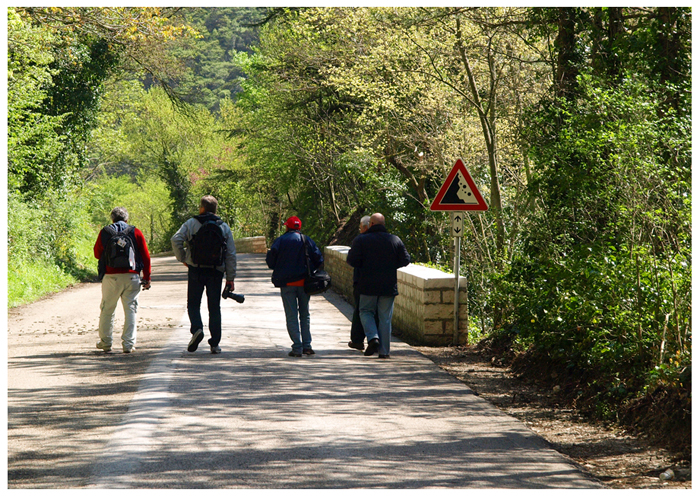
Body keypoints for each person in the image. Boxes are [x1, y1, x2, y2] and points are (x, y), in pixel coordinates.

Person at [171, 195, 237, 354]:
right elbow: (231, 254)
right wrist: (230, 278)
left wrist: (183, 259)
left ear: (201, 208)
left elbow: (175, 239)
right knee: (214, 307)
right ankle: (215, 344)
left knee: (193, 304)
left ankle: (197, 330)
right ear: (215, 210)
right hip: (216, 271)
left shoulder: (191, 223)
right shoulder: (223, 227)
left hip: (196, 269)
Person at [346, 213, 411, 358]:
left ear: (371, 224)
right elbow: (405, 259)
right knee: (385, 318)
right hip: (388, 285)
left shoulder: (361, 240)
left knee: (365, 311)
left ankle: (373, 337)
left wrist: (364, 265)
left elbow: (351, 260)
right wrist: (391, 265)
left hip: (366, 285)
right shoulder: (394, 239)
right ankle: (384, 352)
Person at [94, 207, 151, 353]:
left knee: (107, 309)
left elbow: (96, 253)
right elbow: (145, 256)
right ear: (127, 219)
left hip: (111, 276)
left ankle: (106, 342)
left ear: (112, 219)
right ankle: (128, 344)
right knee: (131, 310)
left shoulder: (105, 232)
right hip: (132, 276)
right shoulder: (135, 232)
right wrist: (147, 277)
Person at [266, 216, 323, 357]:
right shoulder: (306, 240)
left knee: (291, 316)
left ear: (287, 227)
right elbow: (319, 259)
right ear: (299, 227)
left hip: (287, 284)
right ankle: (307, 346)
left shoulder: (280, 240)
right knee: (305, 315)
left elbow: (270, 261)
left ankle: (297, 348)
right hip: (304, 284)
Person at [348, 215, 371, 351]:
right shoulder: (388, 238)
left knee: (361, 310)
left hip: (362, 282)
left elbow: (351, 260)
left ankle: (358, 340)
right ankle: (378, 340)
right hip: (386, 283)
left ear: (365, 227)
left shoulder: (360, 240)